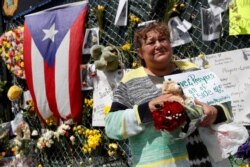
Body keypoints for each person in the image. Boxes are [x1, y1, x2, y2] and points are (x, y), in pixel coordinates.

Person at [105, 22, 233, 167]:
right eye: (151, 42)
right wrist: (145, 111)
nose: (159, 45)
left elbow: (227, 106)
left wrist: (215, 112)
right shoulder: (130, 81)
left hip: (211, 161)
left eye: (163, 39)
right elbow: (111, 126)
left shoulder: (192, 71)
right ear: (140, 52)